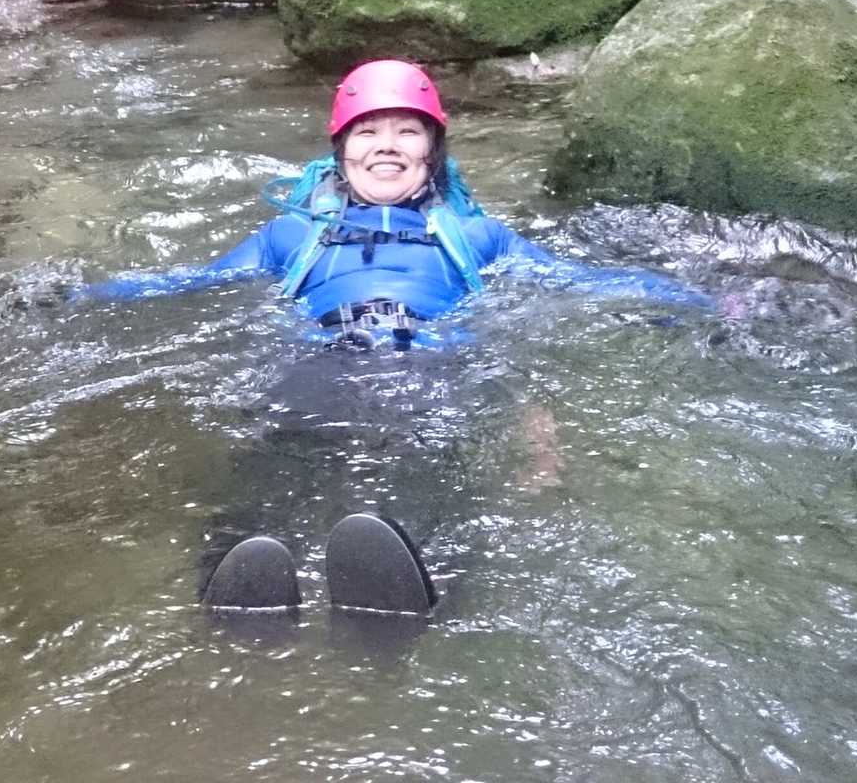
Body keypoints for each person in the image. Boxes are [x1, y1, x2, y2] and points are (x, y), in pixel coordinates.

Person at [80, 59, 714, 614]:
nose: (387, 147)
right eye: (368, 132)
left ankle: (427, 579)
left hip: (431, 367)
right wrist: (79, 295)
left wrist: (699, 301)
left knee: (437, 471)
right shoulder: (292, 235)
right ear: (342, 152)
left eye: (407, 132)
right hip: (322, 361)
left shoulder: (477, 236)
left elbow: (582, 282)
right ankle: (238, 568)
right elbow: (191, 282)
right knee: (273, 458)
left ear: (431, 152)